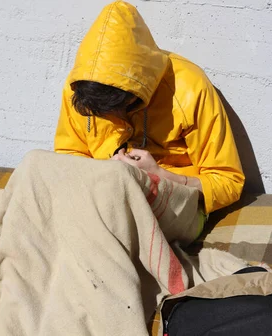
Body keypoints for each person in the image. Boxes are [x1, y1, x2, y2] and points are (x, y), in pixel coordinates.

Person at [54, 1, 244, 230]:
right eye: (102, 113)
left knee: (112, 222)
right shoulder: (80, 89)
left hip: (172, 202)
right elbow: (68, 156)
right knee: (34, 166)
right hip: (102, 194)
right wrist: (103, 172)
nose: (115, 117)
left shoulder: (190, 87)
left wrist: (159, 175)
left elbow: (228, 182)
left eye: (122, 108)